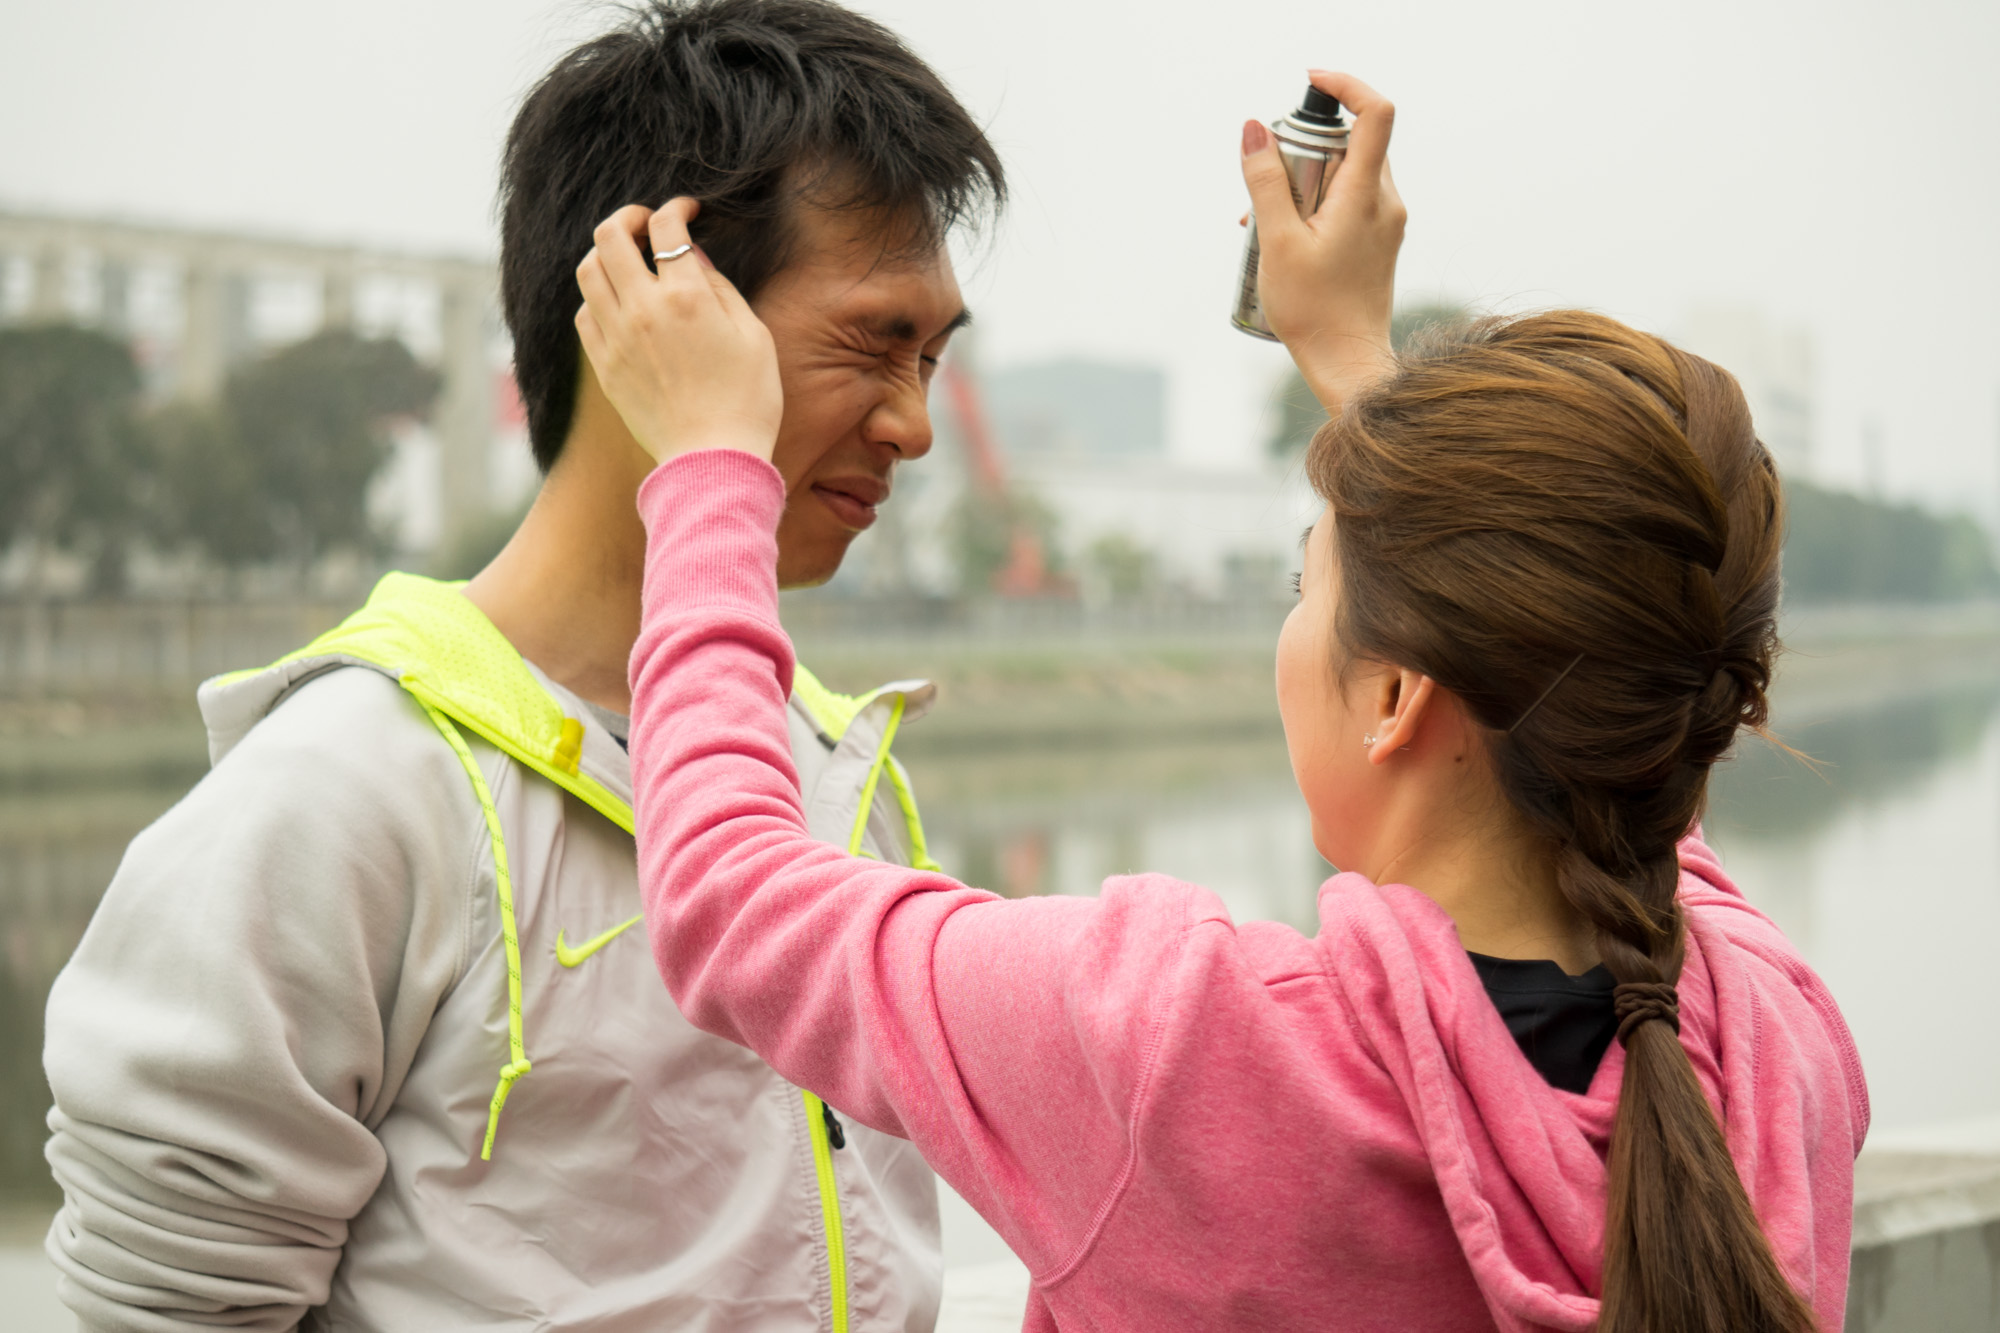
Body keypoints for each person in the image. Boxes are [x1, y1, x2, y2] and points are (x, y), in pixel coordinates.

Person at [580, 70, 1867, 1332]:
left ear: (1395, 694)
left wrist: (710, 461)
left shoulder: (1179, 1047)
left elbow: (729, 895)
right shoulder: (1774, 1050)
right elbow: (1613, 687)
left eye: (1302, 585)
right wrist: (1361, 374)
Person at [41, 2, 1000, 1329]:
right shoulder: (345, 794)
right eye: (875, 341)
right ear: (656, 300)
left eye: (934, 358)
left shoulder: (838, 774)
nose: (915, 424)